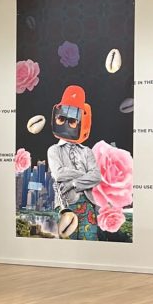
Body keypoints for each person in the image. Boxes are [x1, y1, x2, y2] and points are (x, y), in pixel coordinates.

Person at [47, 85, 102, 240]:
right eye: (61, 118)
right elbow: (58, 174)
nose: (65, 124)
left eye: (72, 121)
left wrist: (73, 183)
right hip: (66, 206)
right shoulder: (53, 150)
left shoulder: (86, 151)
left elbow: (97, 176)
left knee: (90, 244)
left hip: (88, 207)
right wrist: (85, 175)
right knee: (66, 246)